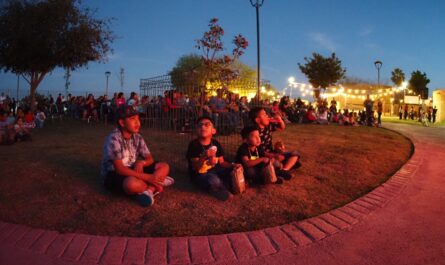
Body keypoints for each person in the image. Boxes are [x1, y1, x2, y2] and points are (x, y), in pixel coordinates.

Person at [101, 105, 173, 207]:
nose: (137, 123)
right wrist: (149, 177)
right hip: (114, 174)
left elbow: (150, 159)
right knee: (131, 184)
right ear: (122, 123)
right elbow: (120, 169)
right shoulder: (113, 139)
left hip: (132, 168)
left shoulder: (137, 137)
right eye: (132, 119)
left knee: (164, 166)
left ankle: (150, 189)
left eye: (138, 119)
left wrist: (141, 162)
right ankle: (157, 183)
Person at [186, 116, 241, 201]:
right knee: (214, 179)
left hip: (215, 171)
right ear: (196, 130)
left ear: (213, 131)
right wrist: (204, 156)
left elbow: (222, 163)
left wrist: (233, 165)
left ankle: (225, 186)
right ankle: (217, 189)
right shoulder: (194, 145)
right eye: (200, 125)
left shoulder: (215, 143)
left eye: (207, 125)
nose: (203, 127)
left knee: (232, 171)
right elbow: (195, 167)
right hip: (200, 174)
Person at [249, 107, 301, 180]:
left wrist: (280, 120)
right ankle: (280, 169)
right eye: (264, 115)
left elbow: (282, 127)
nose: (267, 116)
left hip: (272, 152)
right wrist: (274, 156)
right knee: (276, 163)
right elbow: (257, 150)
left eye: (266, 114)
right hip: (263, 156)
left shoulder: (268, 126)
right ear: (257, 120)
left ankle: (284, 170)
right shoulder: (255, 132)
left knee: (295, 153)